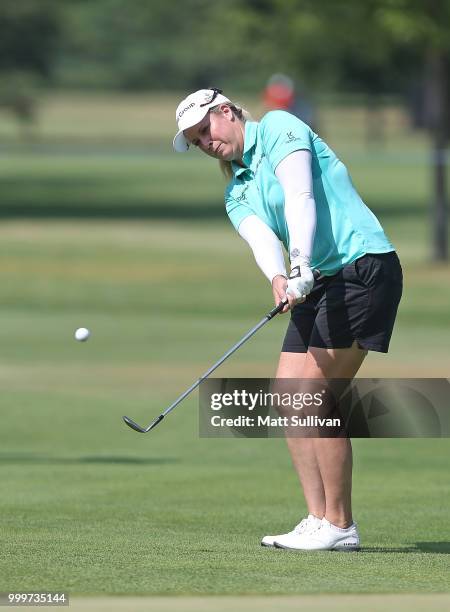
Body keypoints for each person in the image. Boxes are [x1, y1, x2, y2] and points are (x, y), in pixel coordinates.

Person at [173, 88, 403, 551]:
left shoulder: (280, 127)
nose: (204, 142)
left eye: (205, 129)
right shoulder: (236, 191)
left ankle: (340, 524)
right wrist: (280, 279)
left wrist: (298, 264)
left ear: (226, 111)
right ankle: (318, 518)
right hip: (317, 281)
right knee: (287, 395)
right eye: (196, 140)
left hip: (362, 267)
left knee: (314, 396)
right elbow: (261, 240)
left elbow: (301, 195)